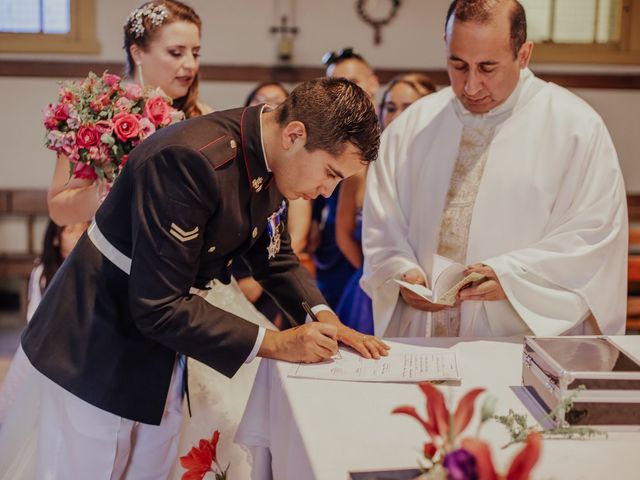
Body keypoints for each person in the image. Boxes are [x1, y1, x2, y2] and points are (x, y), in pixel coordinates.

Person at [1, 77, 387, 479]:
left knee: (149, 466)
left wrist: (324, 318)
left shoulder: (274, 158)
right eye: (330, 173)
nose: (327, 191)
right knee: (89, 466)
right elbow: (158, 304)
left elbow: (273, 256)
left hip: (161, 342)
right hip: (96, 339)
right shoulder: (190, 161)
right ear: (294, 134)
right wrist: (276, 342)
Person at [361, 0, 628, 338]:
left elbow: (594, 234)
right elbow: (382, 222)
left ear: (524, 54)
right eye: (457, 65)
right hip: (421, 339)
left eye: (487, 68)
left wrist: (511, 276)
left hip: (518, 346)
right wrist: (401, 271)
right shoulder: (413, 125)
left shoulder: (575, 128)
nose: (470, 86)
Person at [47, 0, 208, 227]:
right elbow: (58, 209)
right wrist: (110, 189)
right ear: (137, 52)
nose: (190, 64)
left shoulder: (203, 116)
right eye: (176, 53)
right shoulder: (97, 116)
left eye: (195, 53)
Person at [335, 73, 436, 334]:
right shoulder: (361, 168)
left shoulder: (437, 170)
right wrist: (380, 274)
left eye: (408, 108)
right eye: (390, 107)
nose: (397, 116)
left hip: (428, 289)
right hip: (371, 285)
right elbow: (344, 233)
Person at [309, 47, 381, 310]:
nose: (345, 94)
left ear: (373, 82)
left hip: (367, 245)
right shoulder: (324, 136)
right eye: (335, 86)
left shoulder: (389, 138)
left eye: (352, 83)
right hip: (332, 243)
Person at [0, 220, 89, 426]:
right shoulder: (44, 272)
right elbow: (36, 318)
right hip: (46, 342)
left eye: (83, 228)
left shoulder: (89, 267)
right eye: (70, 229)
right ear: (56, 238)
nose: (78, 234)